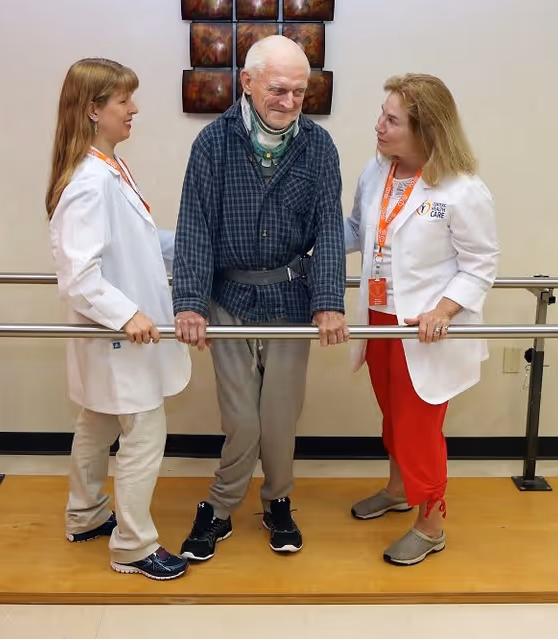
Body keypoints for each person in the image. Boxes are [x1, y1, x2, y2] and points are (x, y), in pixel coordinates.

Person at [172, 35, 349, 560]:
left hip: (292, 298)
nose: (290, 101)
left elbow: (330, 233)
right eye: (278, 89)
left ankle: (277, 501)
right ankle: (220, 506)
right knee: (242, 417)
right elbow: (195, 227)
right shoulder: (213, 143)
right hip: (229, 296)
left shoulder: (318, 146)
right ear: (247, 84)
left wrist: (329, 300)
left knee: (279, 417)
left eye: (300, 91)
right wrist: (189, 301)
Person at [344, 73, 499, 566]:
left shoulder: (463, 189)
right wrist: (304, 244)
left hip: (424, 328)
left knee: (419, 426)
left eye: (392, 120)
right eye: (381, 114)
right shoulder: (377, 171)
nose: (379, 126)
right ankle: (397, 489)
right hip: (378, 316)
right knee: (392, 415)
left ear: (426, 130)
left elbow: (481, 264)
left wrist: (444, 310)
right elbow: (355, 230)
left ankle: (431, 525)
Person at [46, 58, 190, 580]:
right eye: (123, 101)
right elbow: (79, 276)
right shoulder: (90, 181)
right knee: (144, 431)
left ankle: (85, 514)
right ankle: (133, 545)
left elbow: (139, 245)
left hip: (113, 337)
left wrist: (196, 246)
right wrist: (127, 314)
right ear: (93, 110)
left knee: (96, 421)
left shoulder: (108, 168)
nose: (134, 109)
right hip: (118, 336)